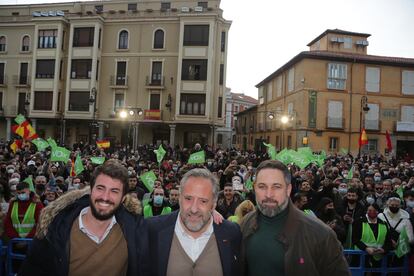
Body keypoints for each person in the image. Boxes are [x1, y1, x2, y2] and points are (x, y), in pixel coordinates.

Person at [19, 160, 149, 276]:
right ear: (90, 190)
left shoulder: (134, 230)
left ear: (123, 198)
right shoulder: (55, 227)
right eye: (100, 188)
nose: (105, 197)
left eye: (114, 191)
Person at [240, 160, 350, 276]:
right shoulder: (244, 225)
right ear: (254, 188)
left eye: (276, 187)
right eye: (262, 186)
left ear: (288, 189)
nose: (268, 194)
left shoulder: (320, 234)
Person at [147, 168, 241, 276]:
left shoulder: (232, 233)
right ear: (179, 198)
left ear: (214, 204)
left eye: (203, 201)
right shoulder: (151, 229)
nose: (194, 209)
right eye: (188, 199)